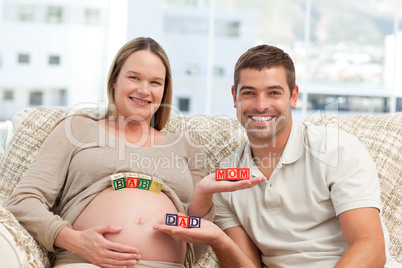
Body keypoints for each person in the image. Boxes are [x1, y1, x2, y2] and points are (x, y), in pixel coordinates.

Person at [6, 37, 265, 268]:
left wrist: (203, 193)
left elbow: (196, 248)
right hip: (87, 262)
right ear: (114, 80)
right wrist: (73, 240)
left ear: (164, 90)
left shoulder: (186, 146)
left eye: (155, 82)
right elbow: (24, 200)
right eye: (134, 77)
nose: (144, 90)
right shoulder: (76, 129)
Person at [153, 44, 399, 268]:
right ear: (234, 97)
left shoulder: (336, 150)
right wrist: (220, 241)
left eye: (273, 92)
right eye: (249, 93)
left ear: (293, 96)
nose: (261, 105)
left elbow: (370, 247)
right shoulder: (225, 181)